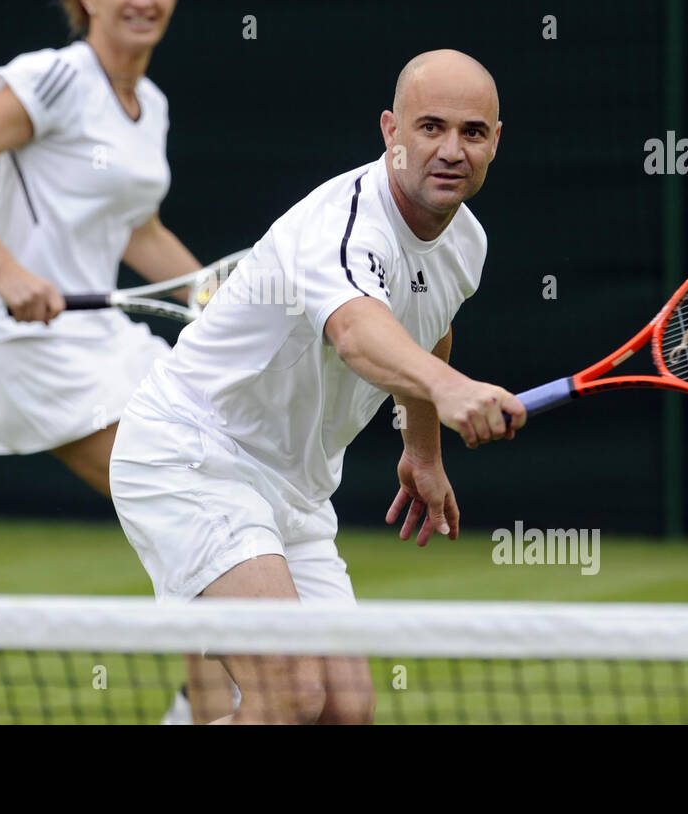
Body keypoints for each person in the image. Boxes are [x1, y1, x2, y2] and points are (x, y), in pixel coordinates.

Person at [109, 49, 528, 724]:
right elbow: (358, 333)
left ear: (495, 143)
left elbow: (430, 326)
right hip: (191, 455)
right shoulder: (345, 224)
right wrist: (450, 390)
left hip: (295, 488)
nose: (452, 149)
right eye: (430, 128)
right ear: (391, 132)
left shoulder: (465, 243)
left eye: (472, 133)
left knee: (344, 709)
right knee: (291, 694)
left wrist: (423, 450)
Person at [0, 0, 234, 723]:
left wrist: (208, 297)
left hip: (107, 334)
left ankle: (204, 706)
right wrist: (8, 269)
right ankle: (209, 706)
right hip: (35, 346)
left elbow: (137, 231)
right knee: (183, 503)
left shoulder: (147, 103)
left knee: (212, 489)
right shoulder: (52, 77)